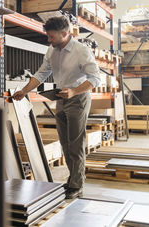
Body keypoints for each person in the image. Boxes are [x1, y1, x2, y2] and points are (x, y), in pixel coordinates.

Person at [12, 16, 101, 199]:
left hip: (78, 98)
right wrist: (24, 91)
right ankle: (73, 179)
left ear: (64, 33)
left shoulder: (81, 51)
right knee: (65, 143)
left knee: (75, 144)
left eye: (51, 37)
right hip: (61, 98)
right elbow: (42, 73)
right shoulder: (52, 50)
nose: (49, 40)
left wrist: (74, 92)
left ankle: (77, 185)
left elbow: (95, 79)